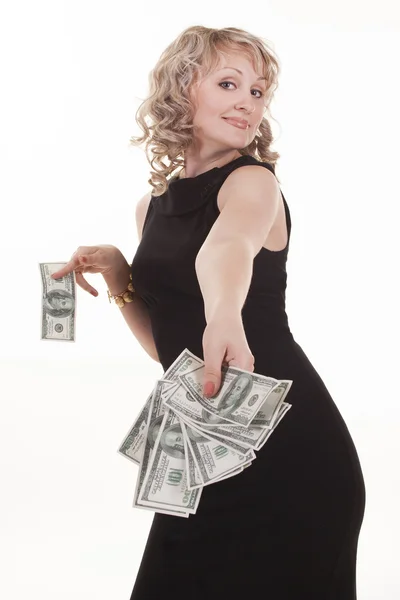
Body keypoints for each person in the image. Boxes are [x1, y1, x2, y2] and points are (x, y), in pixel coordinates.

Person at [52, 25, 366, 600]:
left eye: (258, 92)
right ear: (182, 88)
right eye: (229, 83)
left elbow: (227, 250)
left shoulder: (252, 183)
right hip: (205, 447)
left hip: (292, 452)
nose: (248, 102)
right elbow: (170, 350)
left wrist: (226, 313)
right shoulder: (151, 207)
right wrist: (123, 279)